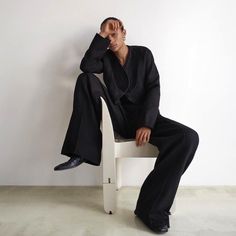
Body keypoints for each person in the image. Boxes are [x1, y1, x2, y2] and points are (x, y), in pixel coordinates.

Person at [54, 17, 199, 234]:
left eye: (114, 33)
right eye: (107, 35)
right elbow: (86, 66)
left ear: (124, 32)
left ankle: (150, 208)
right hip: (120, 118)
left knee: (188, 137)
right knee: (85, 79)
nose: (111, 39)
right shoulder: (105, 59)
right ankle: (81, 151)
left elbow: (154, 88)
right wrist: (100, 37)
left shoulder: (143, 54)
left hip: (148, 119)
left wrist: (147, 123)